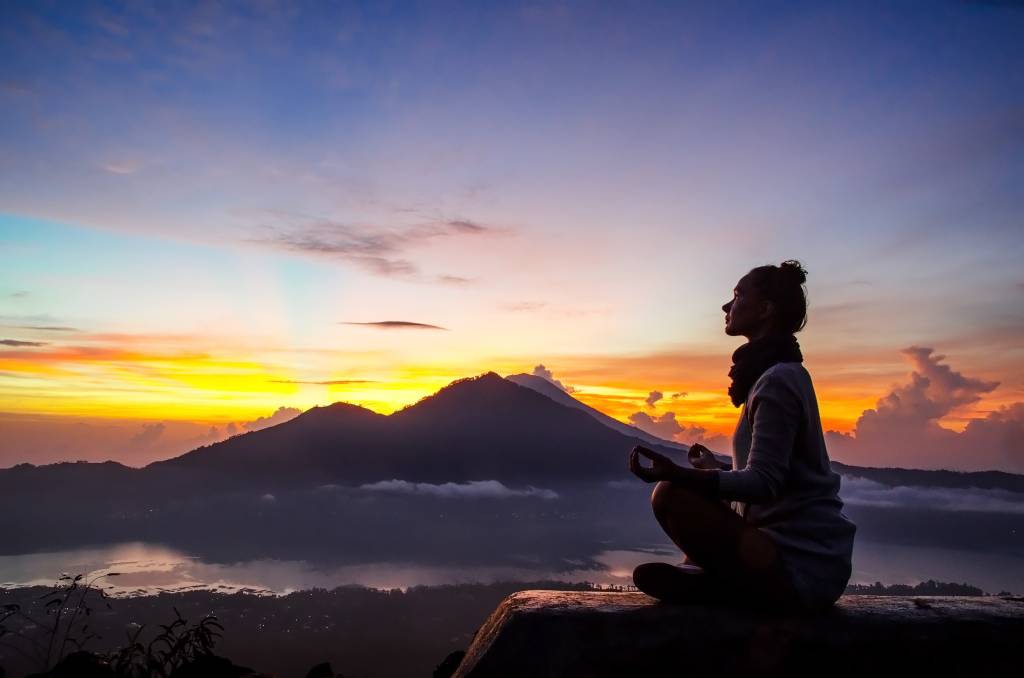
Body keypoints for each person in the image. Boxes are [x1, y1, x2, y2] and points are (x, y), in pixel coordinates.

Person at [628, 260, 856, 613]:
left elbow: (765, 483)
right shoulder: (774, 376)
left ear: (765, 310)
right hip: (795, 557)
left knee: (671, 494)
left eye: (737, 295)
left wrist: (679, 474)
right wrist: (715, 467)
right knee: (689, 490)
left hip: (800, 565)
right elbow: (778, 473)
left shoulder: (777, 380)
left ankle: (719, 582)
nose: (726, 306)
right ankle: (712, 577)